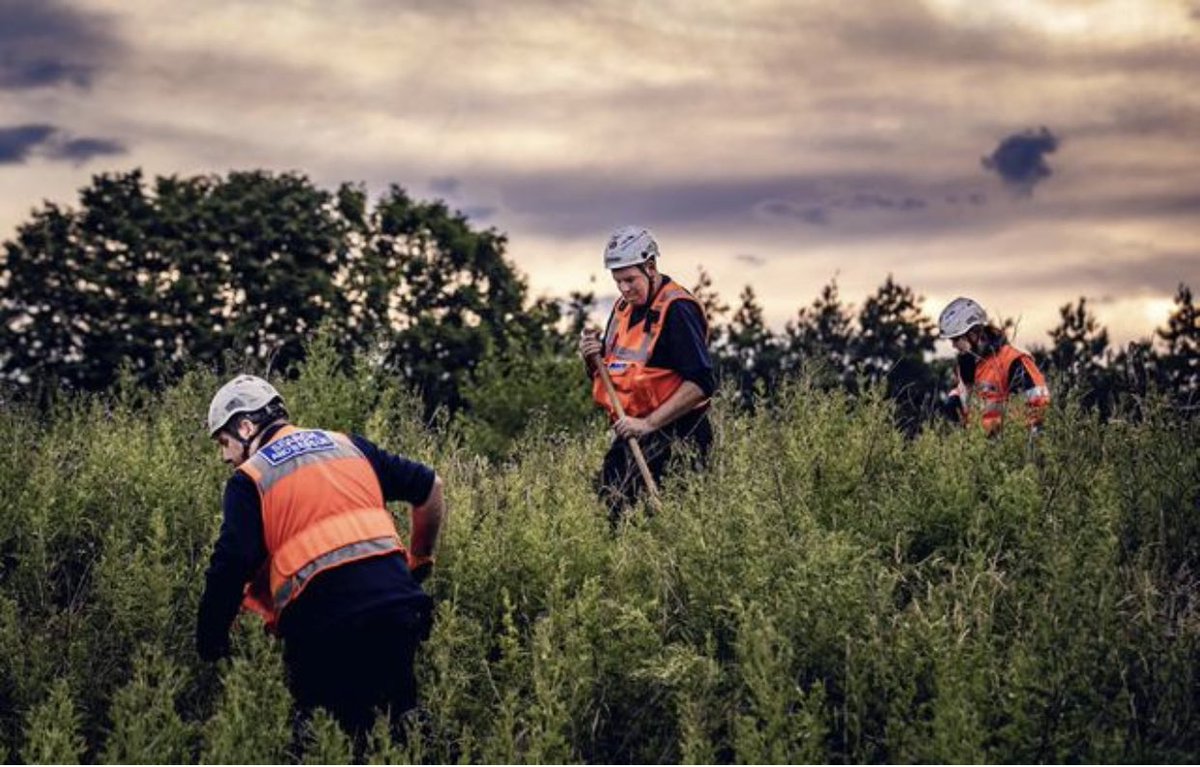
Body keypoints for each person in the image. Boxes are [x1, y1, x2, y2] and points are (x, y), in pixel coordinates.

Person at [196, 374, 446, 739]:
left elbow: (231, 564)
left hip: (323, 629)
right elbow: (431, 488)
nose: (225, 456)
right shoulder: (348, 445)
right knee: (404, 725)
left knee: (320, 740)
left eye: (224, 442)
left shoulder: (250, 478)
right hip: (399, 608)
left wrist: (210, 638)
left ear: (246, 426)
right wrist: (420, 560)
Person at [579, 226, 715, 519]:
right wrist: (592, 357)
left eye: (630, 279)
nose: (625, 289)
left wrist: (650, 424)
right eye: (618, 281)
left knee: (673, 523)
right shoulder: (622, 308)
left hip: (680, 433)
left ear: (650, 267)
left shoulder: (677, 309)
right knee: (611, 510)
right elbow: (613, 373)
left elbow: (702, 383)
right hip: (632, 432)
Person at [938, 297, 1051, 435]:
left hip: (1011, 448)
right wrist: (954, 399)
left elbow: (1039, 405)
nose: (953, 345)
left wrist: (1010, 434)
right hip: (979, 449)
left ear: (973, 334)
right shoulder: (967, 364)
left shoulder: (1013, 361)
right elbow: (967, 395)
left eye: (956, 339)